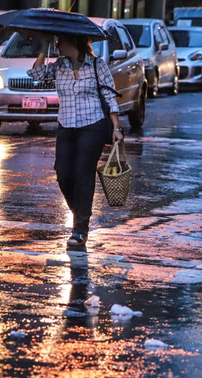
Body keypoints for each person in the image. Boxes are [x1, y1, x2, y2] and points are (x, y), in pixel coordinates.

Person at [27, 34, 124, 247]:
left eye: (60, 40)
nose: (58, 43)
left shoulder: (97, 65)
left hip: (92, 126)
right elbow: (35, 74)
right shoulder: (59, 65)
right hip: (66, 126)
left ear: (74, 41)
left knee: (83, 174)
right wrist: (44, 49)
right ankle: (79, 210)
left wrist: (116, 128)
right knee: (63, 174)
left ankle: (80, 229)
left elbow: (109, 97)